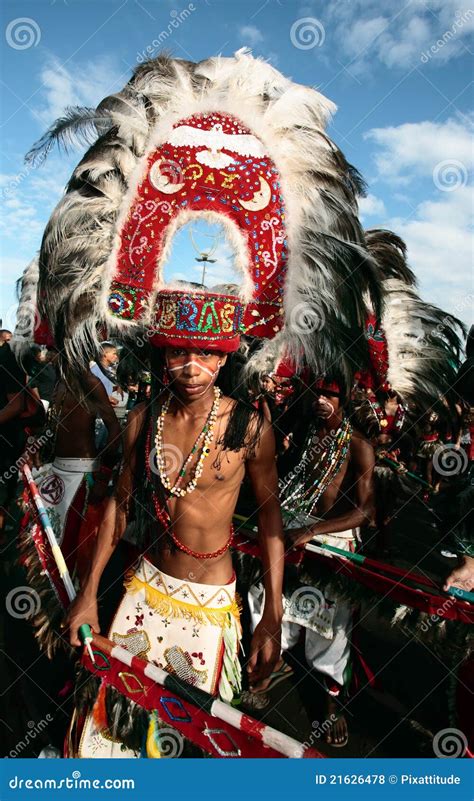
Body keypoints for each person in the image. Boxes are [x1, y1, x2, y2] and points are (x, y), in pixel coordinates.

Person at [65, 290, 285, 757]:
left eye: (205, 352)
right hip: (144, 590)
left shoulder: (249, 429)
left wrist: (272, 615)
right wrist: (88, 594)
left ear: (223, 358)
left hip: (209, 605)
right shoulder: (145, 419)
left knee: (180, 746)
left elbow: (270, 522)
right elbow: (118, 508)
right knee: (106, 734)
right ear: (164, 352)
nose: (191, 365)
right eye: (180, 351)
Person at [248, 377, 375, 747]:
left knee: (326, 625)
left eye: (330, 395)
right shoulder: (306, 432)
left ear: (345, 398)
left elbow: (366, 511)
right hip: (293, 527)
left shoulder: (357, 444)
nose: (321, 400)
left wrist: (315, 530)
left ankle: (329, 705)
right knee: (267, 599)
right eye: (317, 393)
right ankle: (264, 670)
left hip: (331, 541)